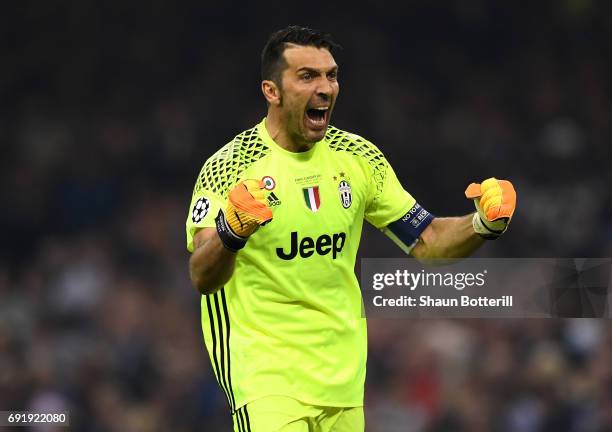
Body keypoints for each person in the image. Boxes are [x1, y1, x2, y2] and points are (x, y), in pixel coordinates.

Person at [185, 25, 516, 432]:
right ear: (272, 91)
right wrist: (231, 232)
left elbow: (429, 241)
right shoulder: (230, 167)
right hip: (265, 377)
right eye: (307, 76)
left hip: (342, 381)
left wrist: (483, 223)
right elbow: (202, 274)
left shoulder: (357, 158)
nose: (325, 87)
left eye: (331, 75)